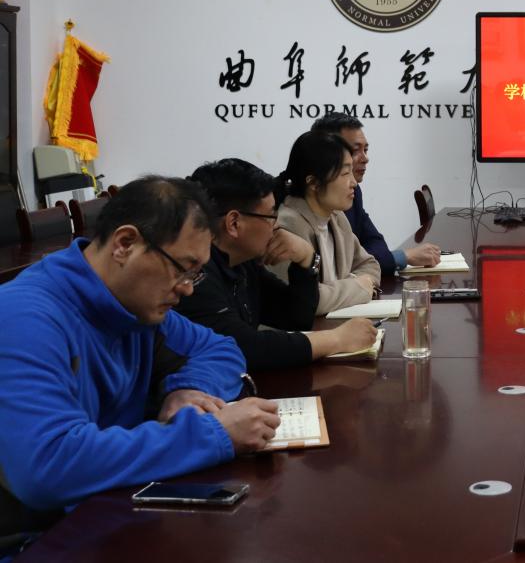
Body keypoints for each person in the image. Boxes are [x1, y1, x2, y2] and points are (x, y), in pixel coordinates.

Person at [0, 177, 280, 551]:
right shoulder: (25, 317)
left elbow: (221, 349)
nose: (188, 288)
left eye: (195, 273)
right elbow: (47, 467)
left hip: (109, 513)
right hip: (37, 540)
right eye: (183, 268)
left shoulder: (135, 307)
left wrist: (187, 389)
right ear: (125, 244)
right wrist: (214, 434)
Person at [178, 158, 379, 369]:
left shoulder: (243, 264)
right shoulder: (195, 274)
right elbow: (244, 347)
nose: (276, 225)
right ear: (234, 223)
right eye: (271, 215)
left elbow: (295, 317)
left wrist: (306, 258)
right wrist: (336, 339)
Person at [311, 112, 440, 274]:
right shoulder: (306, 202)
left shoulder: (354, 192)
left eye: (365, 150)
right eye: (355, 150)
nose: (365, 158)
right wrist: (403, 256)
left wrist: (383, 259)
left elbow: (376, 243)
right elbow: (342, 264)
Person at [270, 131, 380, 315]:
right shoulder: (287, 226)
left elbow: (370, 265)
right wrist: (358, 287)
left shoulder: (336, 217)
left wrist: (349, 286)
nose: (354, 182)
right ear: (313, 182)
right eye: (345, 173)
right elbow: (305, 301)